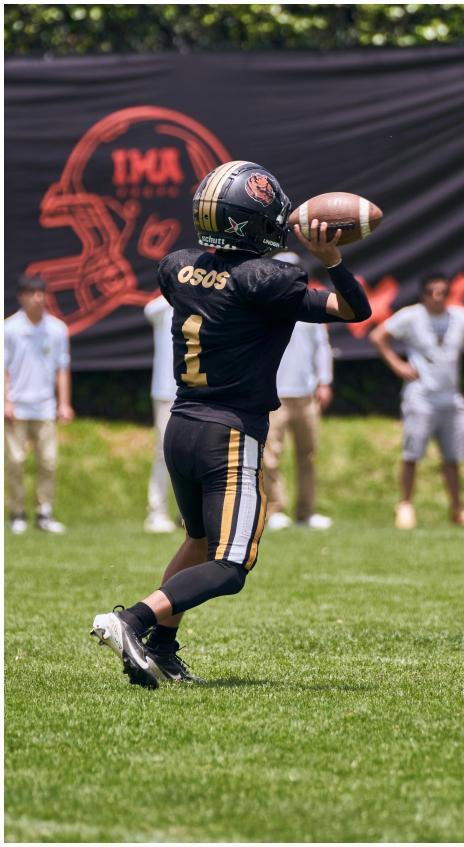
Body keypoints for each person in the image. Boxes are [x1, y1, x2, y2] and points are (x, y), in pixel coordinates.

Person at [92, 160, 371, 687]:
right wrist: (331, 256)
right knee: (230, 565)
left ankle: (163, 650)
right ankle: (130, 621)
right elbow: (354, 310)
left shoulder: (177, 267)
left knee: (198, 541)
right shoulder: (270, 279)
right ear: (253, 221)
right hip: (229, 433)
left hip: (182, 427)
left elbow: (219, 276)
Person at [370, 273, 464, 530]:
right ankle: (405, 505)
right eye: (432, 292)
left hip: (451, 398)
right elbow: (377, 336)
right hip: (420, 397)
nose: (438, 297)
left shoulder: (459, 317)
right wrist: (398, 365)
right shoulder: (411, 316)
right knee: (412, 454)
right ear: (424, 294)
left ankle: (458, 508)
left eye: (443, 292)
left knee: (453, 457)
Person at [265, 251, 334, 531]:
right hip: (274, 394)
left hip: (306, 394)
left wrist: (324, 381)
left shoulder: (311, 304)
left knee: (308, 454)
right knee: (270, 456)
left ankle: (306, 511)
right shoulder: (265, 304)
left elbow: (323, 346)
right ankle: (275, 509)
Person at [5, 274, 74, 534]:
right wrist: (6, 401)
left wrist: (64, 403)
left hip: (45, 406)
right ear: (21, 296)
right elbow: (4, 369)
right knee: (15, 461)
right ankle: (17, 513)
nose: (38, 298)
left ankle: (44, 513)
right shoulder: (9, 328)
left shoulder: (57, 329)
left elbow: (62, 369)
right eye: (33, 293)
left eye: (41, 293)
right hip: (17, 408)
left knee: (48, 461)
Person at [143, 295, 177, 533]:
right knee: (163, 452)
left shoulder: (208, 302)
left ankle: (191, 516)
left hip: (199, 391)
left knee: (199, 453)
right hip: (166, 391)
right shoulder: (163, 307)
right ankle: (157, 512)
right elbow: (149, 308)